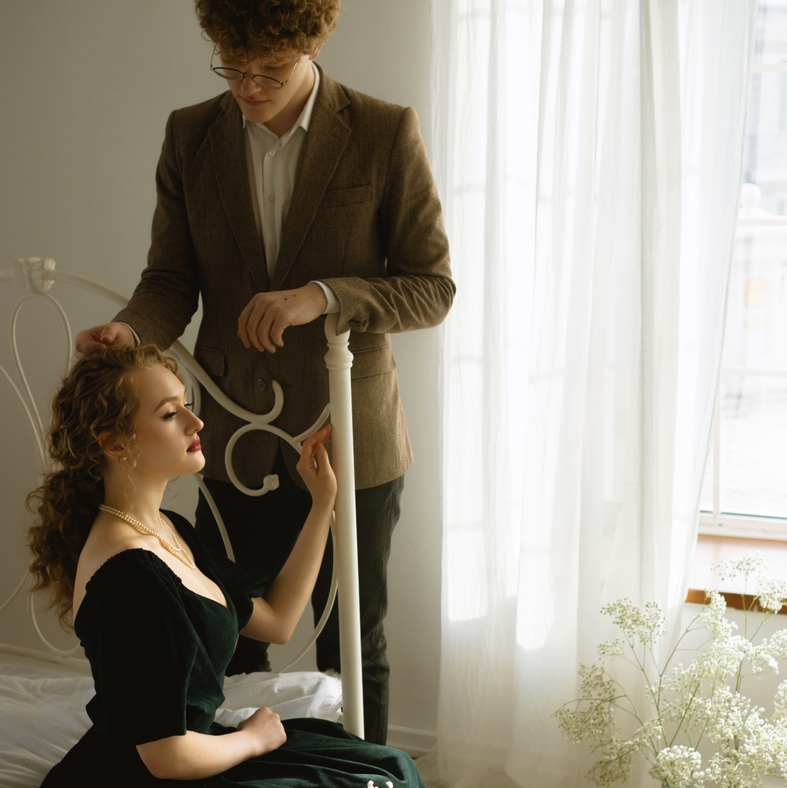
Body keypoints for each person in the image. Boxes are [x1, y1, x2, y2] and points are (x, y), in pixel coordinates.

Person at [74, 0, 455, 744]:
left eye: (270, 71)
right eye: (232, 67)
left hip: (350, 434)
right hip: (229, 435)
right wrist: (131, 330)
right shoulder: (190, 134)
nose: (248, 87)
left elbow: (431, 288)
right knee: (231, 635)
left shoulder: (383, 130)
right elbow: (169, 280)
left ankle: (365, 773)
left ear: (311, 46)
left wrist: (323, 297)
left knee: (354, 639)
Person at [27, 344, 425, 787]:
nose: (196, 422)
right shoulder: (129, 575)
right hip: (156, 772)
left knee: (389, 766)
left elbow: (277, 621)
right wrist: (253, 740)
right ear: (115, 443)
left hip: (201, 751)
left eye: (187, 404)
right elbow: (165, 757)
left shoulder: (167, 530)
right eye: (169, 414)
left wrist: (321, 504)